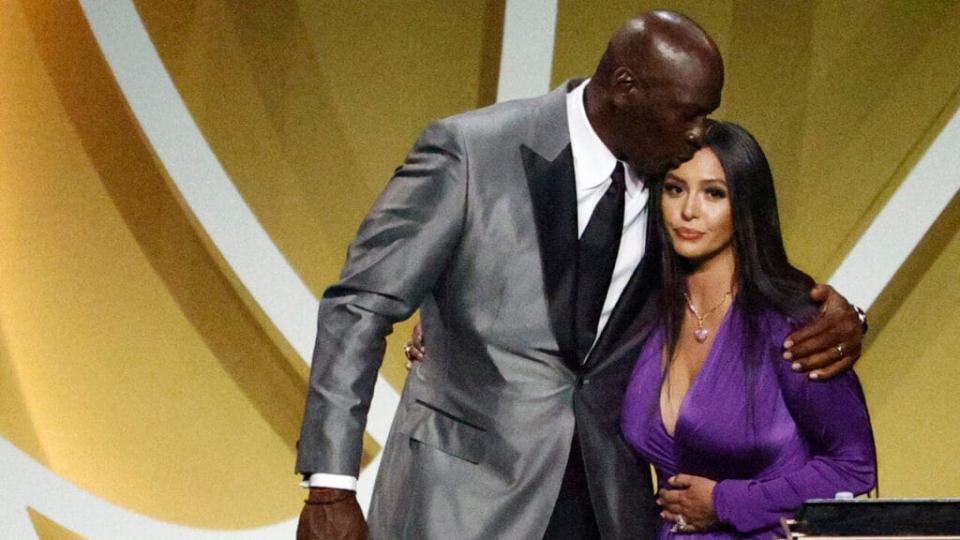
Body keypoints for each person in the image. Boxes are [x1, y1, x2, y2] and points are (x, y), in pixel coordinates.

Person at [296, 11, 865, 540]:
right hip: (462, 495)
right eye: (689, 112)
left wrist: (844, 314)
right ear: (625, 88)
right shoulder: (471, 152)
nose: (699, 133)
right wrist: (330, 485)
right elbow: (359, 306)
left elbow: (734, 270)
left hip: (604, 503)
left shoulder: (668, 189)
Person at [620, 122, 876, 539]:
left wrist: (727, 502)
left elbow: (852, 467)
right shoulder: (642, 315)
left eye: (714, 193)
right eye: (675, 189)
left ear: (746, 204)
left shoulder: (795, 323)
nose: (689, 211)